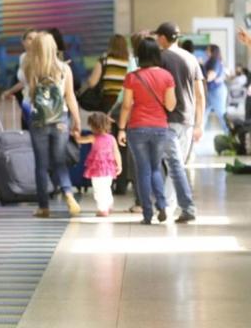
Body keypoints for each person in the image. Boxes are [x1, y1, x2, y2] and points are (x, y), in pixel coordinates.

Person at [21, 31, 82, 218]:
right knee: (59, 161)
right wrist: (77, 120)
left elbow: (29, 96)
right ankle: (68, 193)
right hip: (60, 119)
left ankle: (44, 207)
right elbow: (70, 96)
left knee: (41, 164)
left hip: (38, 119)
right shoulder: (64, 68)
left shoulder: (30, 68)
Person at [117, 37, 177, 225]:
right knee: (156, 169)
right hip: (160, 128)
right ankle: (161, 205)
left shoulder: (132, 77)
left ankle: (147, 214)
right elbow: (170, 105)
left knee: (143, 171)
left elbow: (126, 106)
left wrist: (120, 129)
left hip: (137, 128)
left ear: (139, 55)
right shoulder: (167, 76)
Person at [155, 22, 205, 223]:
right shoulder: (191, 58)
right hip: (188, 120)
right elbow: (200, 94)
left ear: (163, 38)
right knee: (176, 165)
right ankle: (170, 206)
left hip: (167, 119)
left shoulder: (160, 58)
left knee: (171, 165)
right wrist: (199, 124)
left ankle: (171, 206)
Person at [74, 112, 121, 217]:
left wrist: (76, 135)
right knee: (106, 187)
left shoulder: (93, 137)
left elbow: (80, 140)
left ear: (94, 126)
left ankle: (102, 209)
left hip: (97, 169)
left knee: (98, 189)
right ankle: (108, 204)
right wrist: (119, 165)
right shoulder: (111, 138)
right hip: (109, 168)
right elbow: (116, 152)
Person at [2, 28, 39, 130]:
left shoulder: (40, 58)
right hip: (26, 102)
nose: (33, 41)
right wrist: (9, 91)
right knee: (26, 134)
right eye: (30, 38)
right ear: (23, 42)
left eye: (36, 39)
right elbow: (24, 82)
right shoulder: (23, 57)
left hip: (38, 104)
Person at [86, 34, 130, 112]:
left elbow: (92, 83)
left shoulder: (104, 60)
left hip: (107, 103)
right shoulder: (129, 62)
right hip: (125, 101)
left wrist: (88, 80)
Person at [203, 44, 229, 133]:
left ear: (212, 50)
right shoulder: (214, 60)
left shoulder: (214, 60)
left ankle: (230, 135)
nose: (206, 51)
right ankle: (196, 137)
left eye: (208, 49)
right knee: (203, 114)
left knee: (221, 114)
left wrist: (199, 80)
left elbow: (211, 76)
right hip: (212, 90)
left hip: (216, 91)